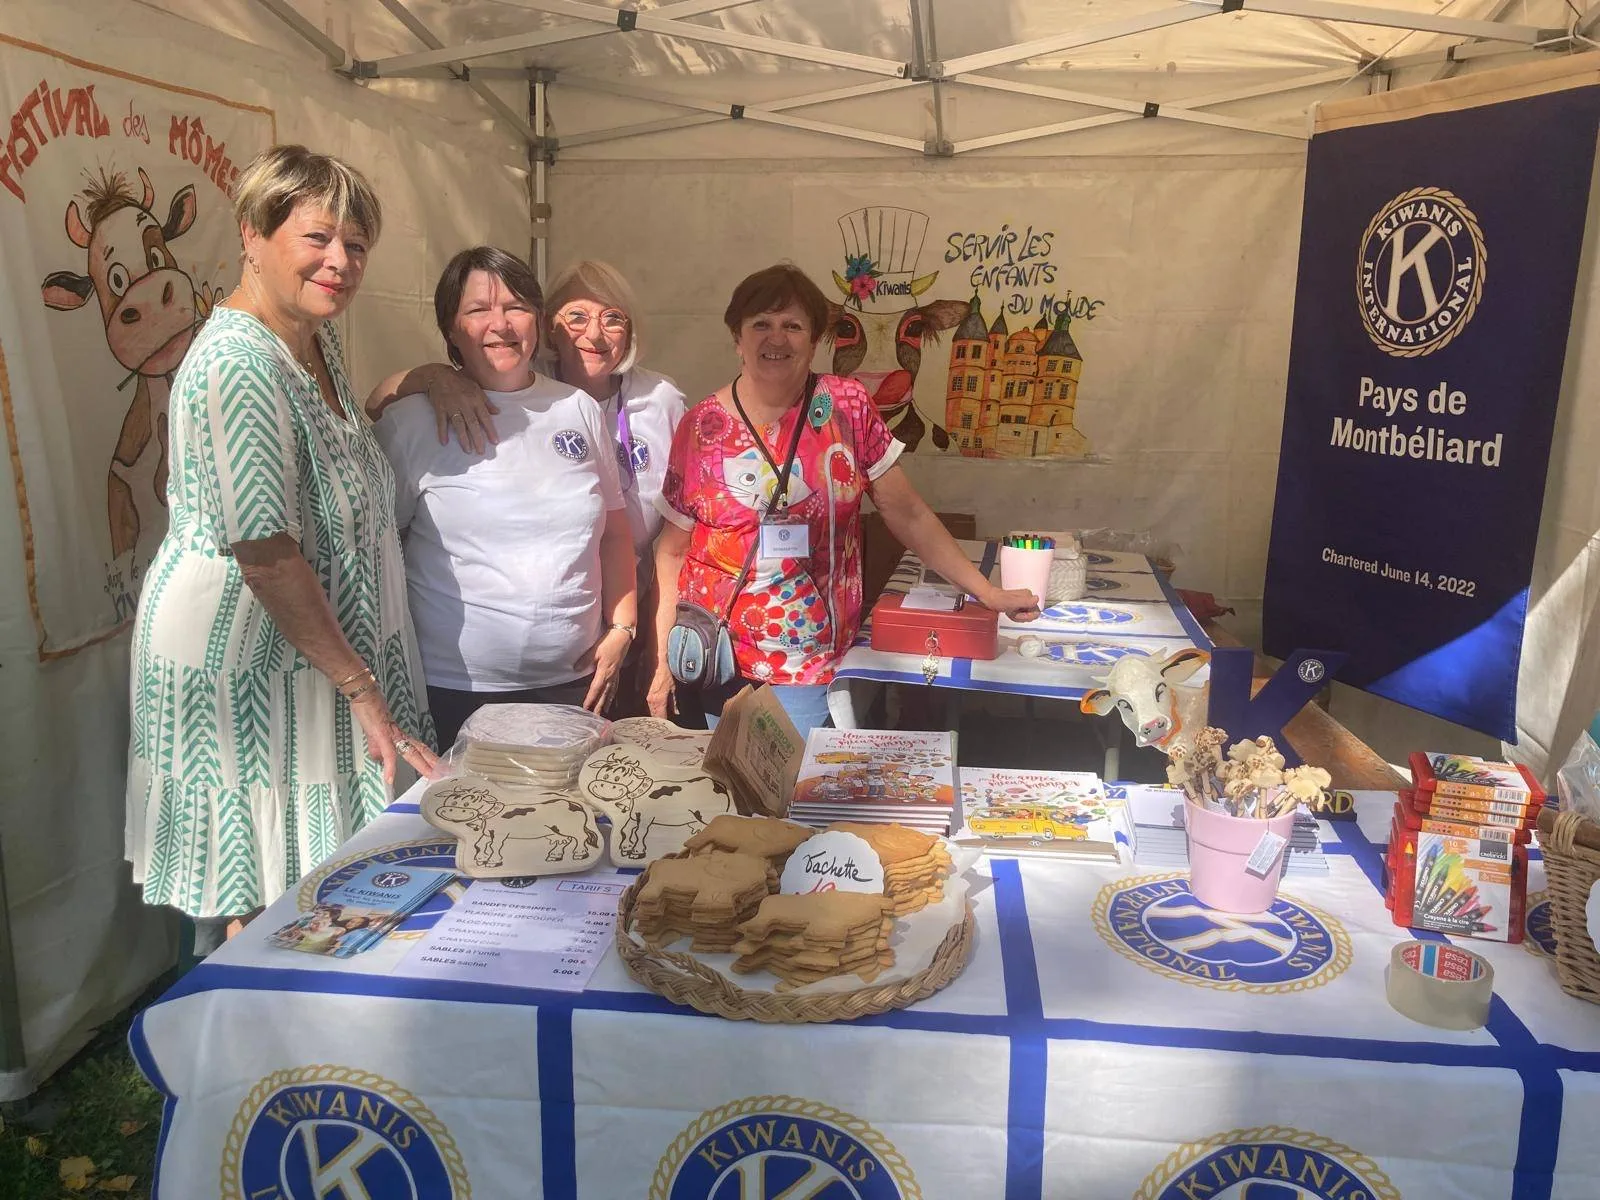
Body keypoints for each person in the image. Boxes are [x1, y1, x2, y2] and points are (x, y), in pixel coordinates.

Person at [126, 145, 438, 948]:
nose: (341, 262)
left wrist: (414, 382)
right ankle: (250, 1047)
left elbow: (336, 456)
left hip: (313, 646)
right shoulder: (238, 363)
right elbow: (264, 552)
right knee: (267, 885)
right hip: (252, 655)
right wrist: (360, 685)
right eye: (319, 239)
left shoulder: (311, 336)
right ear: (253, 236)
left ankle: (311, 1020)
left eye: (357, 245)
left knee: (320, 871)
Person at [647, 264, 1040, 737]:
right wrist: (661, 659)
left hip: (809, 661)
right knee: (722, 795)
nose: (778, 338)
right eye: (761, 324)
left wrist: (987, 592)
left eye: (793, 325)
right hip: (716, 656)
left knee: (795, 797)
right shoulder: (701, 427)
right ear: (737, 337)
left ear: (814, 341)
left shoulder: (845, 406)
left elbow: (907, 512)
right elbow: (671, 550)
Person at [367, 259, 684, 710]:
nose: (500, 324)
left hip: (579, 684)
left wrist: (621, 630)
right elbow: (374, 553)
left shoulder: (578, 408)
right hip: (452, 689)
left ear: (536, 320)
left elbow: (614, 534)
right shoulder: (412, 422)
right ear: (451, 329)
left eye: (515, 307)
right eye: (478, 310)